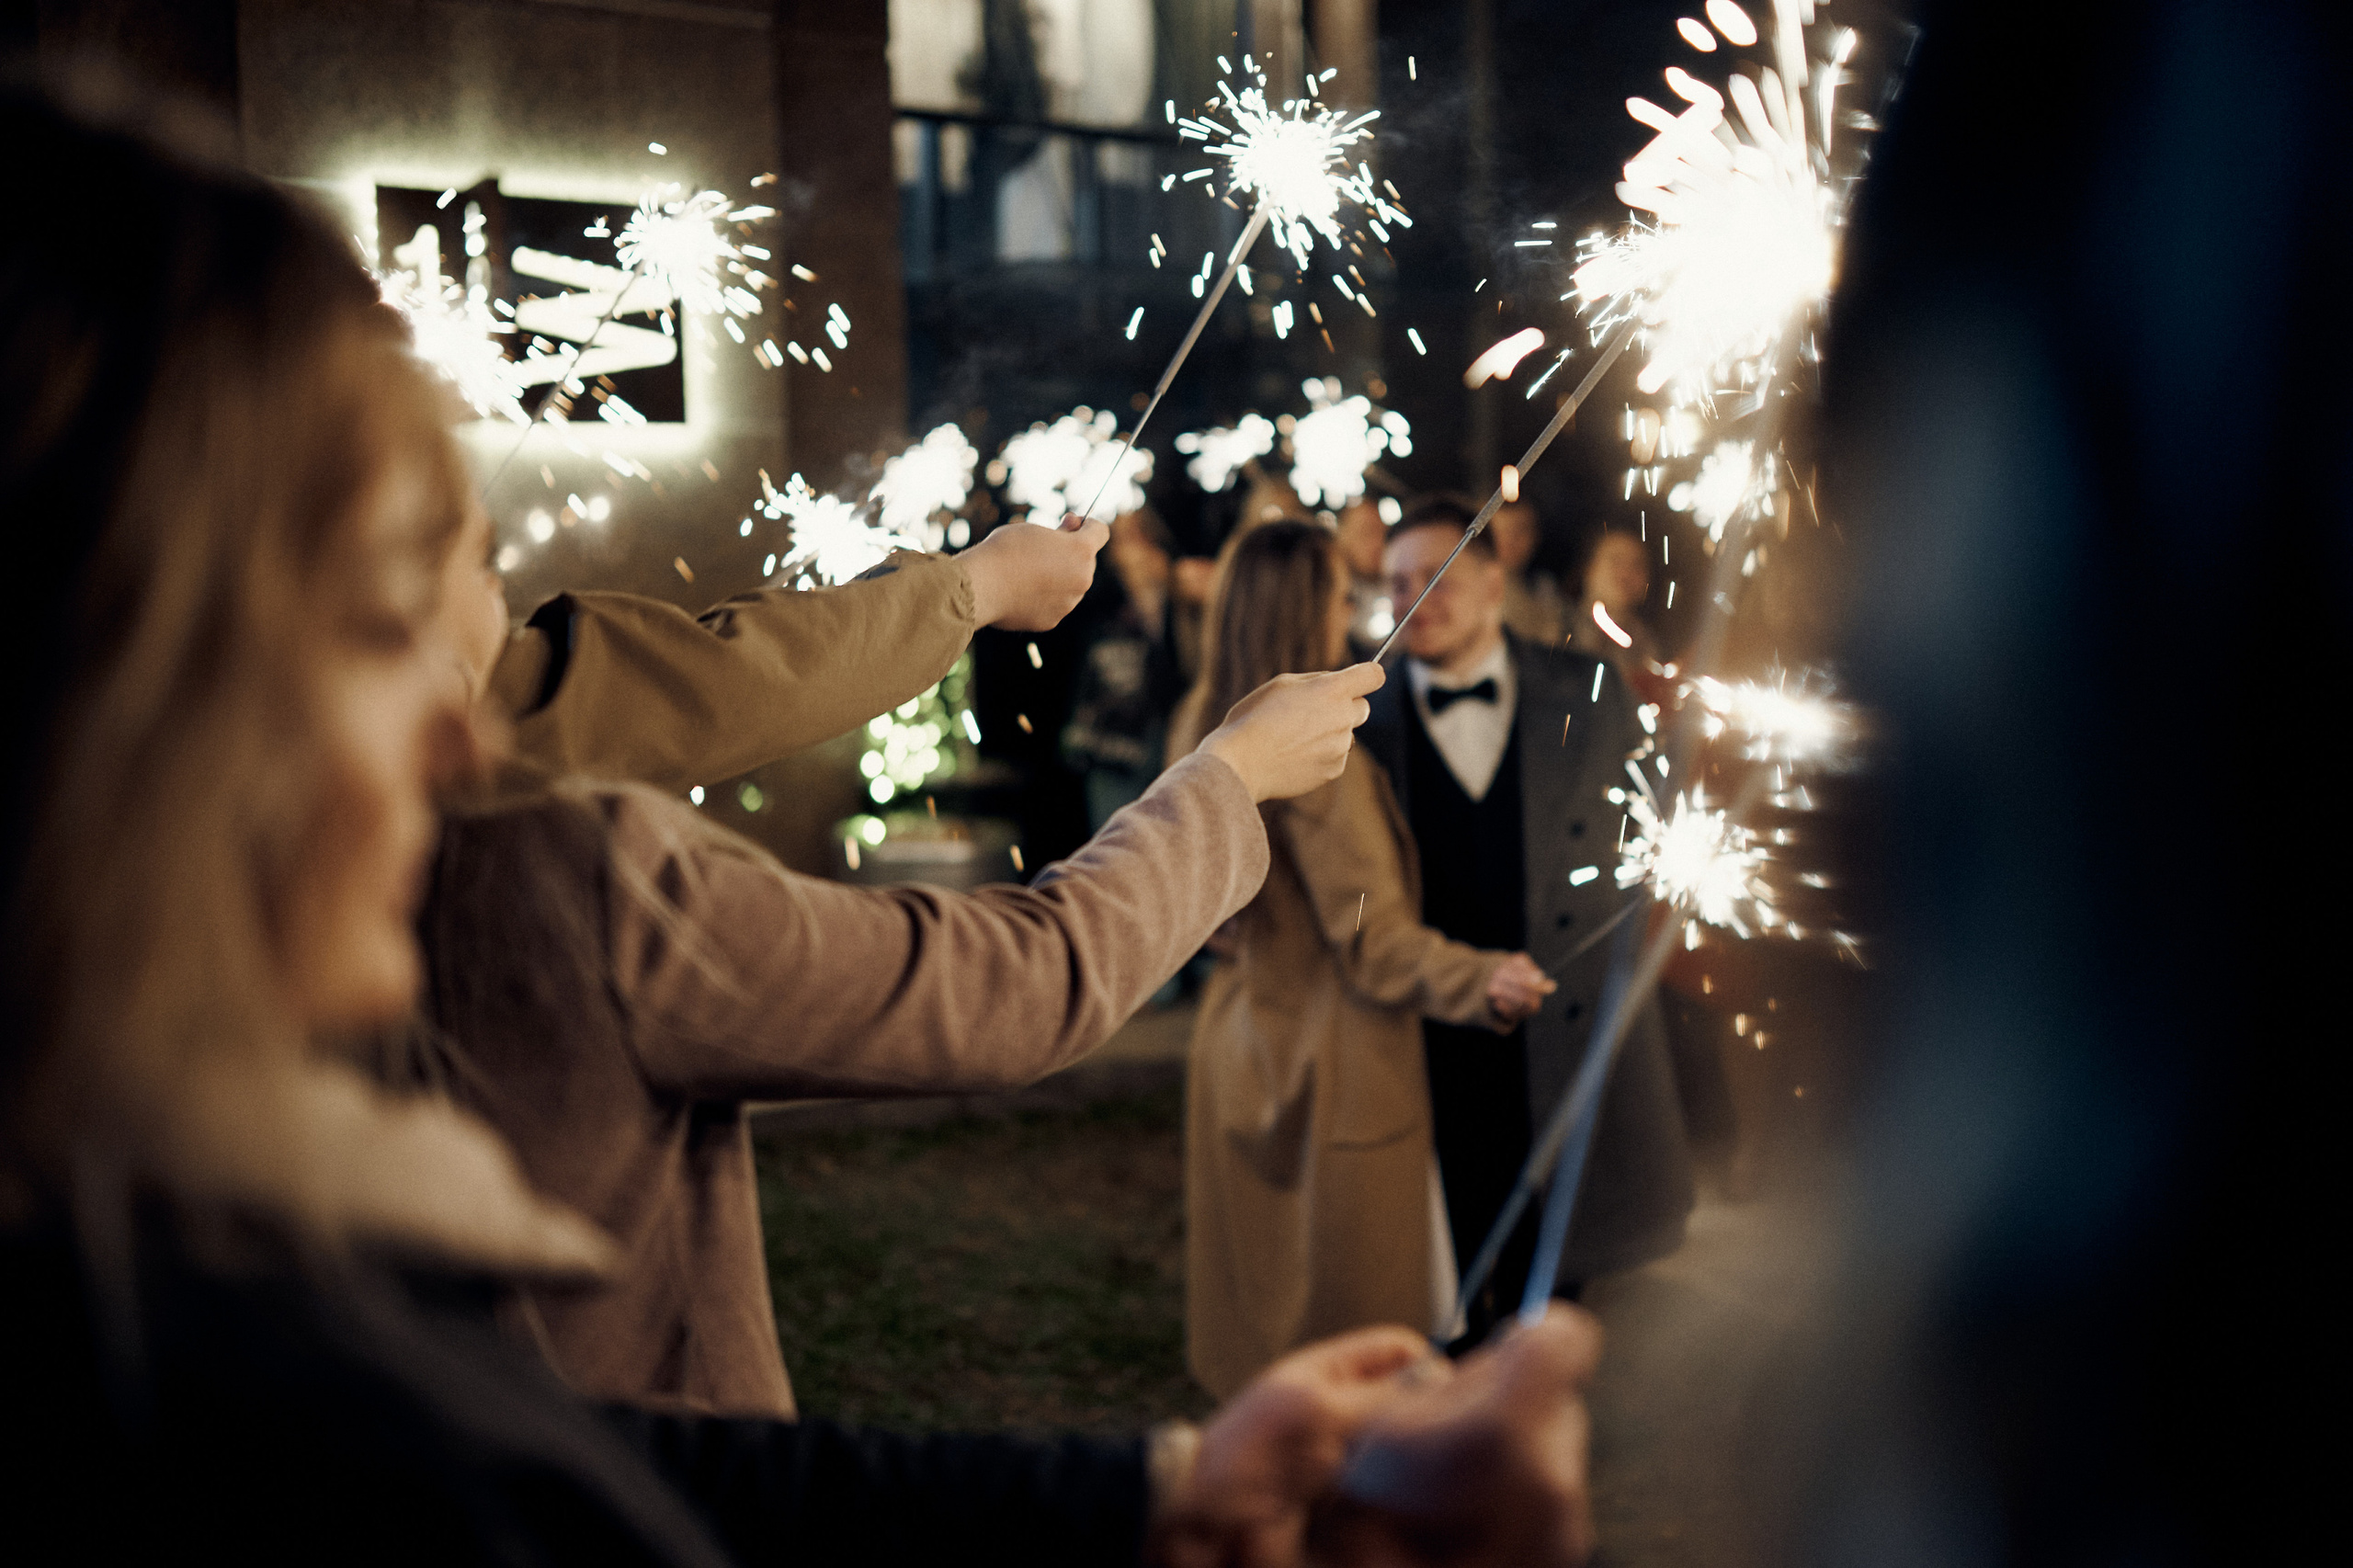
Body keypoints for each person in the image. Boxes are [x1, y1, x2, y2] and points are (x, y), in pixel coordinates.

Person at [0, 74, 1603, 1566]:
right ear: (138, 684)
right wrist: (1227, 777)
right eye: (382, 613)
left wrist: (1171, 1493)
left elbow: (640, 1467)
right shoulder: (204, 1317)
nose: (456, 724)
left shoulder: (194, 1258)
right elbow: (1006, 985)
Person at [1167, 521, 1557, 1399]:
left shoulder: (1202, 719)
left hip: (1237, 1041)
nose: (1359, 611)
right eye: (1344, 595)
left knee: (1260, 1325)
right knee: (1352, 1351)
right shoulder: (1315, 756)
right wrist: (1481, 977)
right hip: (1332, 1058)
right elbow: (1372, 944)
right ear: (1308, 612)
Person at [1369, 495, 1694, 1341]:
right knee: (1437, 1256)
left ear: (1490, 584)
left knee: (1555, 1264)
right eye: (1398, 583)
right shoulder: (1358, 718)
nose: (1415, 600)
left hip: (1561, 1019)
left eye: (1435, 579)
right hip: (1422, 1031)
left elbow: (1653, 819)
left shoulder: (1587, 690)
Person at [1563, 530, 1664, 699]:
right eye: (1616, 561)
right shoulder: (1550, 623)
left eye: (1636, 565)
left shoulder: (1646, 650)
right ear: (1590, 568)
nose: (1625, 573)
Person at [1489, 500, 1567, 648]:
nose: (1511, 541)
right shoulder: (1475, 591)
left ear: (1536, 537)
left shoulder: (1546, 589)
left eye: (1520, 531)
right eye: (1503, 531)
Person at [1335, 495, 1394, 655]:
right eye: (1367, 532)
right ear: (1343, 537)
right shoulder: (1332, 600)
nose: (1378, 542)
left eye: (1383, 533)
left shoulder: (1397, 590)